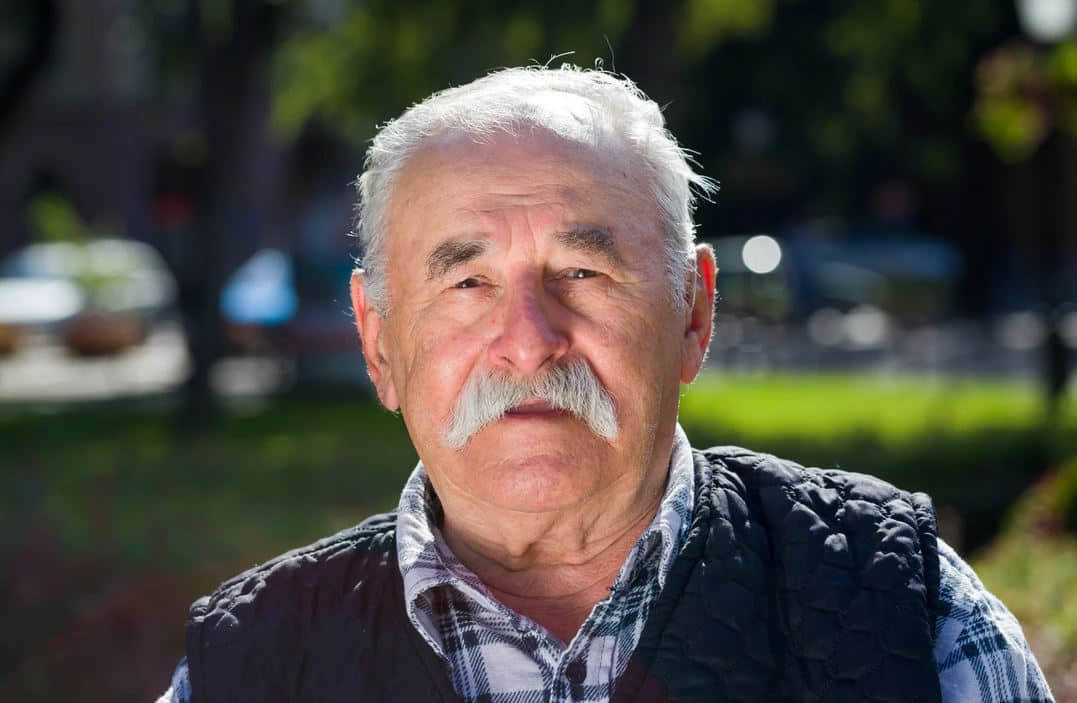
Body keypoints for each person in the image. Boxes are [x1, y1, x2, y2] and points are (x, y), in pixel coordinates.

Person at [158, 66, 1053, 703]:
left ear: (693, 314)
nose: (527, 342)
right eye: (467, 282)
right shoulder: (246, 664)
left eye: (583, 273)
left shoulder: (904, 609)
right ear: (378, 341)